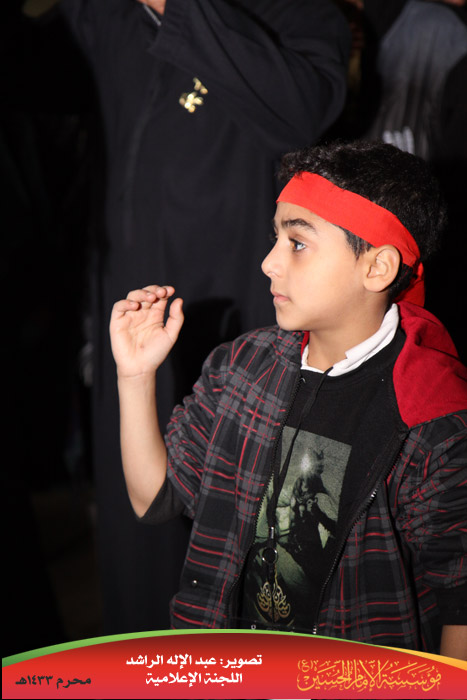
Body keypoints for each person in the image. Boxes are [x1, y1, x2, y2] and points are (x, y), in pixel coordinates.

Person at [109, 139, 467, 658]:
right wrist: (135, 376)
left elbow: (459, 602)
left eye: (297, 243)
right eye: (275, 237)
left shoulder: (431, 419)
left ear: (377, 268)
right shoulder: (242, 367)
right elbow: (155, 499)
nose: (268, 263)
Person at [60, 0, 351, 633]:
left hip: (245, 317)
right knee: (139, 535)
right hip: (131, 313)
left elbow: (307, 109)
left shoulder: (292, 13)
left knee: (250, 539)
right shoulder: (104, 16)